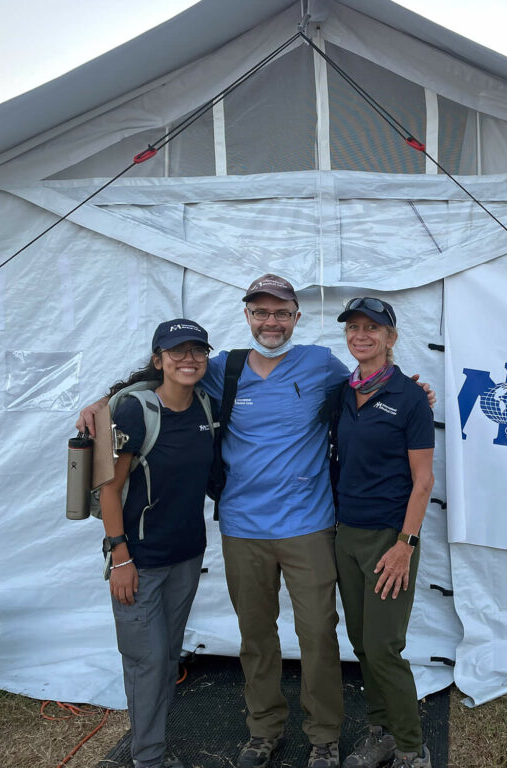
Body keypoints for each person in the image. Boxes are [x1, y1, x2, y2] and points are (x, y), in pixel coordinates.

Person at [78, 275, 434, 768]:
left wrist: (414, 391)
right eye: (261, 313)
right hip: (243, 529)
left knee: (318, 636)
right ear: (247, 317)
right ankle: (264, 730)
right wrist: (102, 402)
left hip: (310, 527)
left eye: (281, 313)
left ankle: (324, 737)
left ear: (296, 318)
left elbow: (371, 386)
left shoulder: (321, 364)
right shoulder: (221, 367)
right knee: (257, 638)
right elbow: (164, 376)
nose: (271, 322)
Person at [101, 319, 215, 768]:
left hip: (187, 555)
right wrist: (119, 557)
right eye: (176, 351)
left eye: (197, 351)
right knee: (146, 661)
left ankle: (153, 742)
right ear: (157, 360)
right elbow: (109, 488)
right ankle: (148, 759)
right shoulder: (136, 411)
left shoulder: (206, 405)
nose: (188, 359)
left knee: (166, 658)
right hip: (139, 561)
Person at [326, 298, 435, 768]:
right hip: (345, 534)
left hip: (389, 538)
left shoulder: (409, 398)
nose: (361, 335)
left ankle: (412, 747)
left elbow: (424, 480)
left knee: (386, 648)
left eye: (373, 327)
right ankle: (381, 732)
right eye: (353, 327)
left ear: (391, 337)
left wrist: (404, 546)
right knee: (362, 643)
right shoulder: (341, 393)